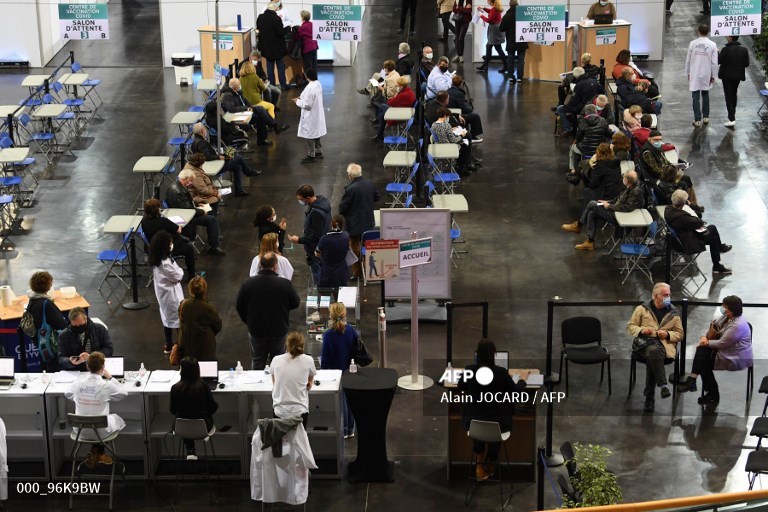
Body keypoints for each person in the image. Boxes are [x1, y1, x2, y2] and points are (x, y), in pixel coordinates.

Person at [457, 339, 528, 481]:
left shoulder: (470, 370)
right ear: (493, 355)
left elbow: (461, 386)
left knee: (479, 418)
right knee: (493, 422)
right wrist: (522, 379)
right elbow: (517, 392)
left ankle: (479, 467)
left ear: (478, 355)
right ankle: (491, 464)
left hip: (474, 425)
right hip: (498, 426)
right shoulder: (501, 373)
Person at [678, 296, 752, 405]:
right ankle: (705, 390)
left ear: (730, 309)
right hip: (725, 350)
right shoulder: (726, 317)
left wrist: (706, 342)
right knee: (702, 356)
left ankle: (707, 390)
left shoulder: (738, 325)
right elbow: (711, 327)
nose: (722, 307)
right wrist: (704, 337)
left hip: (735, 356)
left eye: (724, 306)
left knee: (702, 359)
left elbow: (722, 343)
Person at [236, 252, 300, 370]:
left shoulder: (247, 284)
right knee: (279, 363)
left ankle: (257, 387)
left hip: (256, 329)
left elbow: (239, 306)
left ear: (260, 265)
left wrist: (248, 321)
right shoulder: (285, 284)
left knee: (257, 361)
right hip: (279, 329)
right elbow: (295, 303)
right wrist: (283, 308)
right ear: (275, 266)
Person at [626, 283, 684, 412]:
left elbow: (680, 334)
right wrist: (641, 330)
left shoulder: (673, 313)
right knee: (654, 352)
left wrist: (667, 334)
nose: (668, 297)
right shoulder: (641, 309)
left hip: (664, 347)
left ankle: (650, 397)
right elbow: (631, 326)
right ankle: (662, 385)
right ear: (656, 296)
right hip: (643, 345)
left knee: (654, 355)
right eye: (665, 295)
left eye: (669, 294)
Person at [65, 351, 127, 468]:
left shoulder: (78, 382)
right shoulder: (106, 385)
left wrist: (80, 398)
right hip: (101, 432)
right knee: (115, 419)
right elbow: (123, 393)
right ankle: (99, 452)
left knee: (98, 423)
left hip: (80, 431)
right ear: (103, 367)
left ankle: (97, 451)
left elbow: (67, 393)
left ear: (87, 366)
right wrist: (111, 377)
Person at [562, 170, 644, 251]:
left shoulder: (635, 191)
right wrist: (608, 202)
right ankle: (590, 242)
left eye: (624, 177)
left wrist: (609, 206)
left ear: (626, 180)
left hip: (619, 216)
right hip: (616, 210)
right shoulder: (629, 187)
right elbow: (618, 199)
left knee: (592, 203)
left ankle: (578, 225)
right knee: (591, 213)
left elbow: (626, 207)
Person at [664, 189, 733, 274]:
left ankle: (717, 262)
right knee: (712, 228)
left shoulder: (668, 210)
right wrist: (689, 210)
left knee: (714, 238)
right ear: (682, 203)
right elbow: (699, 222)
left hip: (679, 238)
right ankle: (719, 254)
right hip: (688, 243)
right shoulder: (682, 217)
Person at [170, 357, 219, 460]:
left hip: (180, 428)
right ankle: (201, 434)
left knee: (185, 417)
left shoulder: (175, 388)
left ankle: (190, 448)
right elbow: (212, 408)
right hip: (203, 426)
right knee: (198, 416)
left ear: (181, 371)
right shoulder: (203, 386)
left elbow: (172, 410)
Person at [165, 173, 226, 256]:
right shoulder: (179, 191)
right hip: (186, 217)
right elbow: (188, 210)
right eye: (190, 181)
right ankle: (214, 246)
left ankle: (215, 237)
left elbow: (186, 205)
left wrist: (197, 205)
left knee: (210, 212)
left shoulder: (177, 186)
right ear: (185, 179)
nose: (191, 183)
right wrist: (202, 211)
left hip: (184, 212)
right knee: (211, 219)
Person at [321, 302, 358, 438]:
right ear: (344, 315)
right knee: (350, 400)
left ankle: (344, 429)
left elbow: (325, 360)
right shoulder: (350, 330)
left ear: (331, 316)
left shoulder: (328, 335)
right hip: (350, 370)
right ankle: (351, 429)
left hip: (335, 373)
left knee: (341, 401)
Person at [190, 126, 260, 197]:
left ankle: (239, 190)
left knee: (237, 166)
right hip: (213, 167)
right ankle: (248, 172)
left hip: (210, 164)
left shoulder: (196, 140)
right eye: (204, 130)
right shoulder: (201, 142)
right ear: (202, 130)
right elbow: (207, 156)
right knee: (238, 157)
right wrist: (220, 157)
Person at [338, 163, 380, 280]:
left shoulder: (351, 189)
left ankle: (357, 273)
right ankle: (368, 270)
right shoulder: (369, 184)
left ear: (351, 175)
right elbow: (377, 197)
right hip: (368, 221)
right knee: (368, 245)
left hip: (354, 225)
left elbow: (342, 208)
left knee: (354, 248)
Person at [641, 130, 699, 206]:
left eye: (659, 139)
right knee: (683, 184)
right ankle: (684, 204)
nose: (658, 142)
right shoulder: (647, 152)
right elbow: (655, 170)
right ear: (649, 139)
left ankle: (693, 204)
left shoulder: (657, 148)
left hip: (666, 173)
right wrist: (670, 172)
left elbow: (665, 160)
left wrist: (673, 166)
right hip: (657, 177)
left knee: (687, 178)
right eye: (656, 140)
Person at [287, 185, 332, 285]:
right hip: (324, 242)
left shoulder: (316, 212)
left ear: (308, 198)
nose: (300, 201)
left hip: (315, 247)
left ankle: (321, 290)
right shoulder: (323, 202)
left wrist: (299, 240)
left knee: (317, 270)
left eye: (301, 199)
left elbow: (316, 236)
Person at [271, 332, 317, 427]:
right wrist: (309, 383)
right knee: (300, 441)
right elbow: (310, 379)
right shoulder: (308, 360)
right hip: (299, 411)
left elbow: (275, 382)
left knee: (281, 441)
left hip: (280, 411)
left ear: (286, 344)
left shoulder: (276, 360)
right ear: (302, 345)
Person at [149, 231, 184, 354]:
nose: (171, 245)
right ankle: (181, 346)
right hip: (172, 297)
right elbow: (178, 276)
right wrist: (179, 270)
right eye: (170, 243)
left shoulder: (157, 258)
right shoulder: (165, 264)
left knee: (167, 319)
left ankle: (168, 344)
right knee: (178, 320)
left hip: (164, 295)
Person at [141, 198, 197, 277]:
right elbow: (179, 230)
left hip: (152, 248)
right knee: (189, 248)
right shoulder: (163, 221)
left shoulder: (144, 220)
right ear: (157, 210)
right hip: (165, 249)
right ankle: (192, 276)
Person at [26, 271, 68, 372]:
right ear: (48, 285)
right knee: (54, 370)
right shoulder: (46, 304)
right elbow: (62, 325)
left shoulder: (32, 300)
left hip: (40, 343)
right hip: (51, 345)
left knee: (45, 368)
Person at [221, 78, 289, 137]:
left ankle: (275, 127)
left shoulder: (238, 92)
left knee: (260, 108)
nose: (240, 86)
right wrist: (246, 108)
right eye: (239, 85)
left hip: (244, 111)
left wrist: (251, 107)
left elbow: (246, 101)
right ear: (235, 87)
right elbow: (231, 109)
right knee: (260, 116)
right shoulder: (227, 95)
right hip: (237, 115)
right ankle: (273, 128)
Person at [177, 276, 222, 362]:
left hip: (186, 347)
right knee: (207, 373)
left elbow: (181, 320)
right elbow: (218, 326)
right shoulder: (208, 308)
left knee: (188, 371)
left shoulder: (183, 305)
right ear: (204, 290)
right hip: (204, 348)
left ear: (190, 289)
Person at [567, 103, 613, 178]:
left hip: (585, 150)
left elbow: (578, 137)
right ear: (596, 111)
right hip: (599, 149)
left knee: (572, 148)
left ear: (586, 112)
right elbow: (609, 134)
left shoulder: (583, 122)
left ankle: (572, 169)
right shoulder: (603, 120)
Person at [685, 25, 718, 127]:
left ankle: (697, 119)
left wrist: (688, 72)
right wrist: (713, 75)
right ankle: (706, 117)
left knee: (695, 96)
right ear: (708, 32)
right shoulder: (712, 45)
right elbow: (714, 62)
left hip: (695, 72)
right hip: (706, 73)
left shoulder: (693, 44)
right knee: (705, 94)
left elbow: (688, 60)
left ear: (698, 31)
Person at [293, 68, 327, 164]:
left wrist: (297, 101)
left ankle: (311, 155)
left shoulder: (310, 88)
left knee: (309, 135)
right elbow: (306, 95)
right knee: (316, 133)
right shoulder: (317, 84)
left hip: (310, 115)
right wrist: (300, 97)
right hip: (317, 114)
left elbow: (307, 105)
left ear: (306, 76)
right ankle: (318, 151)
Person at [556, 67, 603, 136]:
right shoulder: (594, 81)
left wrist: (566, 107)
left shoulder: (579, 85)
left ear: (575, 76)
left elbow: (573, 101)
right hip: (593, 106)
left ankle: (568, 129)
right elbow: (602, 92)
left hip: (582, 108)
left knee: (560, 109)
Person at [256, 3, 292, 90]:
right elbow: (280, 32)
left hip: (266, 47)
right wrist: (287, 28)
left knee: (270, 67)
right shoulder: (276, 18)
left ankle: (272, 85)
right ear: (274, 9)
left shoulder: (260, 17)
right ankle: (283, 85)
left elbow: (258, 29)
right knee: (280, 66)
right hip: (277, 48)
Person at [371, 76, 416, 141]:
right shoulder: (409, 92)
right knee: (382, 113)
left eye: (397, 86)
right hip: (405, 111)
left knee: (382, 106)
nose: (396, 88)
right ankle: (379, 134)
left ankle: (379, 133)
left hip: (400, 115)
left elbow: (390, 102)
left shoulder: (403, 95)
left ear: (401, 86)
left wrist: (395, 96)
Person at [431, 107, 474, 176]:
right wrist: (462, 135)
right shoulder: (446, 125)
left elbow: (441, 132)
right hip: (448, 146)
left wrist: (451, 130)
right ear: (445, 116)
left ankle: (462, 166)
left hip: (439, 145)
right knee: (465, 144)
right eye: (447, 117)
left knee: (463, 143)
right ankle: (462, 167)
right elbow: (453, 140)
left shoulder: (433, 124)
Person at [718, 35, 750, 128]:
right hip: (737, 76)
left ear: (730, 38)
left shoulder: (725, 49)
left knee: (728, 96)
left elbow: (719, 61)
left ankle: (731, 119)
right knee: (733, 93)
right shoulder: (744, 50)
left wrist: (717, 53)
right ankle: (733, 113)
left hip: (726, 76)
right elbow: (746, 64)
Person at [581, 142, 622, 207]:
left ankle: (586, 214)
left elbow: (594, 183)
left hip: (605, 194)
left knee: (587, 191)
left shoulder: (600, 166)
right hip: (616, 192)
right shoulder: (616, 162)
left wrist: (589, 186)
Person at [315, 215, 351, 288]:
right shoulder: (346, 235)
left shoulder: (324, 239)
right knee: (339, 296)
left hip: (327, 273)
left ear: (331, 224)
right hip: (341, 272)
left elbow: (317, 253)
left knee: (325, 296)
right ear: (342, 225)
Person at [499, 0, 528, 83]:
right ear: (518, 5)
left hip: (511, 41)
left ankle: (511, 77)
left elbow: (501, 28)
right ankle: (519, 78)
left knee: (510, 59)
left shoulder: (506, 16)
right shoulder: (523, 15)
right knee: (521, 59)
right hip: (522, 41)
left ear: (510, 5)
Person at [476, 0, 506, 74]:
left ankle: (505, 65)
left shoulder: (494, 9)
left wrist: (481, 15)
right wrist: (484, 8)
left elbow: (489, 20)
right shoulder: (496, 8)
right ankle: (485, 66)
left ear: (490, 1)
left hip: (494, 31)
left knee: (495, 47)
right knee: (491, 47)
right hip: (496, 30)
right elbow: (491, 12)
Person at [297, 11, 319, 75]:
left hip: (308, 48)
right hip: (314, 46)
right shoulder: (313, 24)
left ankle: (309, 81)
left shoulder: (302, 27)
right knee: (314, 65)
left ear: (303, 17)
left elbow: (298, 37)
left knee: (308, 66)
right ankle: (315, 80)